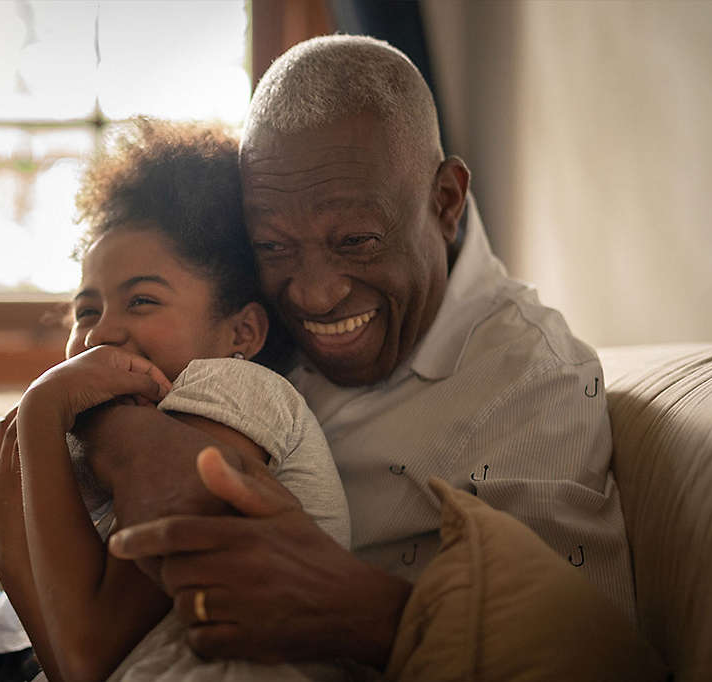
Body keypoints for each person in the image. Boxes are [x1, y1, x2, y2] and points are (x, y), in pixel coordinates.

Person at [63, 34, 637, 674]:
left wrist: (365, 613)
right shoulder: (252, 305)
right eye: (276, 247)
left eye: (357, 240)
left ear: (445, 201)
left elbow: (584, 657)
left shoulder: (531, 379)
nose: (313, 294)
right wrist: (116, 426)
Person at [0, 118, 357, 682]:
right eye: (87, 311)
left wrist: (38, 413)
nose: (99, 334)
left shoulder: (236, 392)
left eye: (143, 301)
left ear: (242, 333)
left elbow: (82, 661)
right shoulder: (129, 437)